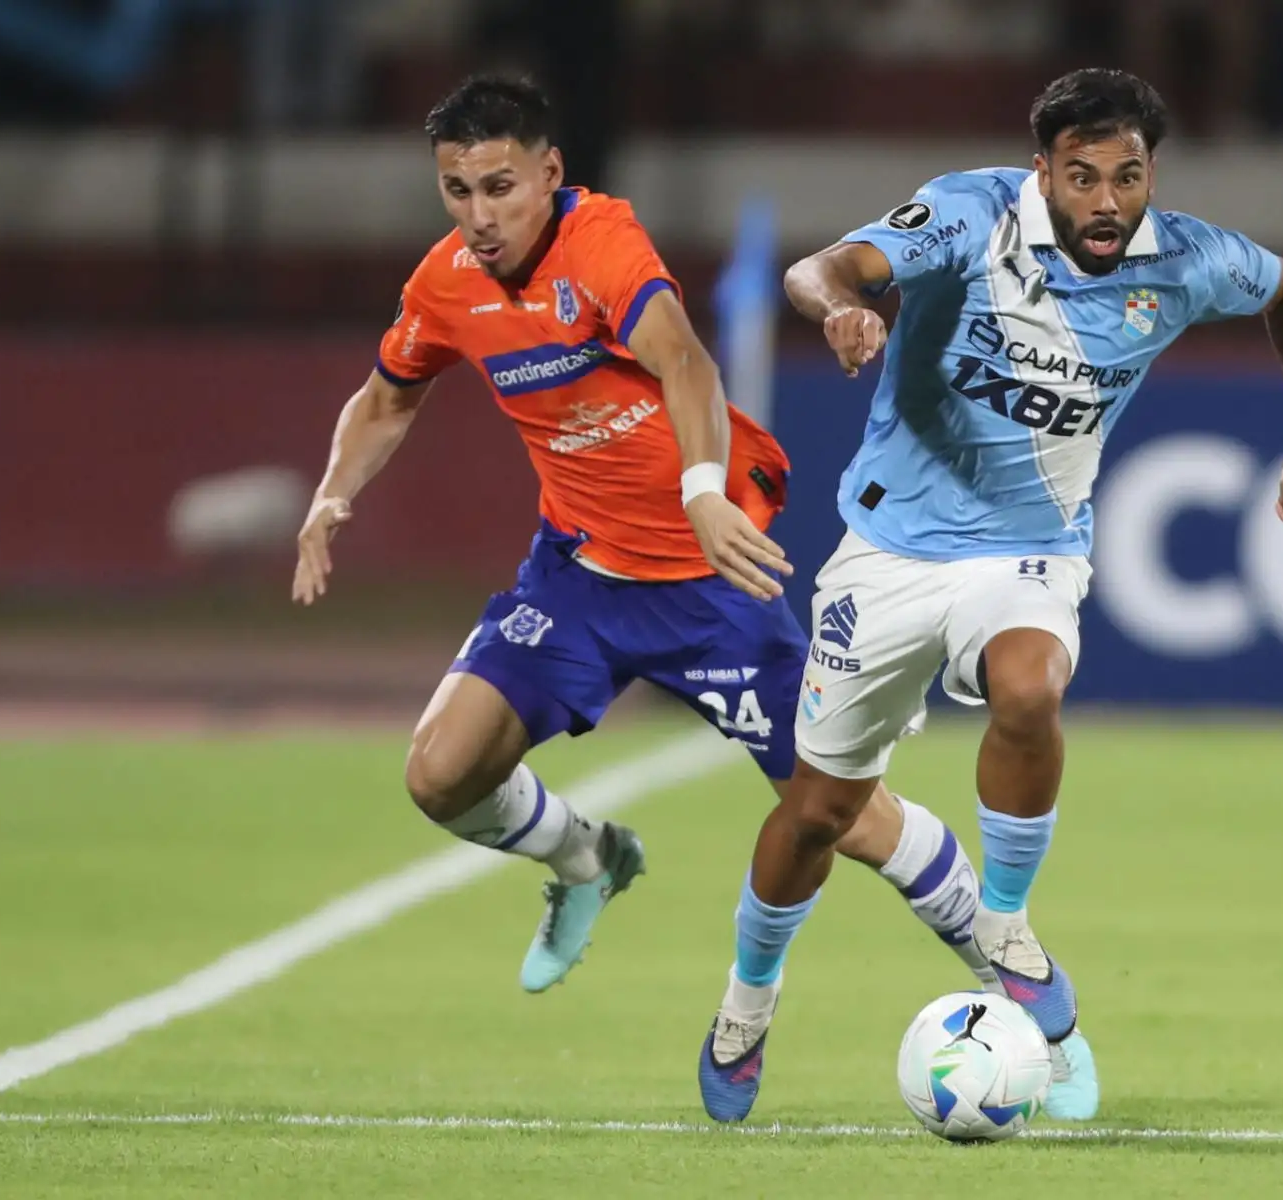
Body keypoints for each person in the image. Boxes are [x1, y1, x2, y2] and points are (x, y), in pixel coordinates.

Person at [698, 67, 1283, 1124]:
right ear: (1043, 170)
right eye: (1082, 176)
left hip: (1032, 549)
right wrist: (844, 308)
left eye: (1126, 176)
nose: (1106, 200)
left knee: (1031, 687)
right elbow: (824, 268)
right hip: (890, 550)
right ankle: (746, 1007)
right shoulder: (969, 215)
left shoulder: (1185, 258)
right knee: (817, 814)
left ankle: (1002, 924)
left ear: (1152, 176)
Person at [291, 74, 993, 1000]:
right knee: (440, 775)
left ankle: (1015, 976)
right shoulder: (447, 283)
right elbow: (387, 398)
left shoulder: (601, 242)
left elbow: (685, 362)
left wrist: (702, 492)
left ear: (549, 173)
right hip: (577, 578)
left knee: (850, 819)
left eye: (499, 187)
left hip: (707, 585)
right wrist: (332, 494)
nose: (480, 216)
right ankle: (588, 859)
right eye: (457, 191)